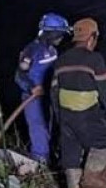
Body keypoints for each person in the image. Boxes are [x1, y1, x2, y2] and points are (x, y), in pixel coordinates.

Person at [51, 18, 106, 188]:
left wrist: (60, 118)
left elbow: (53, 93)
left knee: (71, 150)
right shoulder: (94, 59)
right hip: (85, 113)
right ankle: (91, 177)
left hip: (65, 115)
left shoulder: (60, 61)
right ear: (91, 38)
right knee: (105, 140)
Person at [15, 13, 71, 165]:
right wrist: (32, 87)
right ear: (49, 33)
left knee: (54, 126)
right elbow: (19, 75)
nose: (61, 38)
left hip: (51, 95)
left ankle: (55, 158)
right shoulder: (31, 50)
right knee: (38, 128)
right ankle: (40, 162)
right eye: (59, 34)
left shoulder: (53, 50)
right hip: (33, 98)